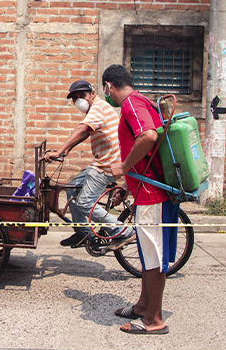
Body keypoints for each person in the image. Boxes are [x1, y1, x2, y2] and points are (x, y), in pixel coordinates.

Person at [102, 64, 179, 335]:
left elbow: (148, 136)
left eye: (105, 90)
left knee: (154, 258)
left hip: (153, 196)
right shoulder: (143, 101)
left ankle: (154, 320)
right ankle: (143, 306)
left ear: (108, 86)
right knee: (149, 256)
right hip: (152, 191)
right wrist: (127, 183)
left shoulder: (130, 105)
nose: (106, 95)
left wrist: (122, 167)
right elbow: (151, 154)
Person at [42, 79, 132, 247]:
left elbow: (82, 129)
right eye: (75, 98)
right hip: (100, 161)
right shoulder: (94, 111)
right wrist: (68, 149)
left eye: (82, 95)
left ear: (92, 94)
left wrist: (60, 151)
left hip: (106, 165)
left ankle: (122, 232)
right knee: (71, 188)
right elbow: (86, 132)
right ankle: (83, 232)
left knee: (84, 203)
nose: (79, 100)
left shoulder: (98, 107)